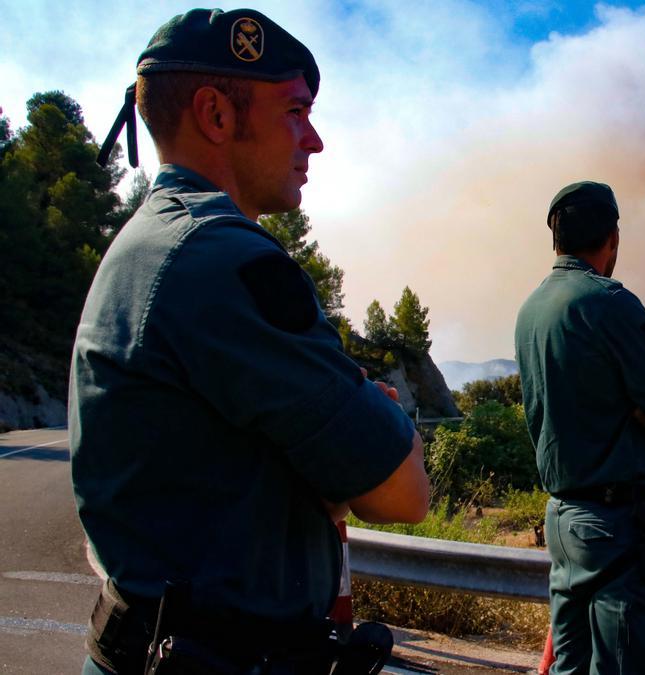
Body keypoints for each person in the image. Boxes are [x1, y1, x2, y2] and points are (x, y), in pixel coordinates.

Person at [71, 8, 429, 674]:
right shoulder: (223, 260)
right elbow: (404, 493)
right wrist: (374, 422)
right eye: (295, 111)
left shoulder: (150, 242)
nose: (314, 139)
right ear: (215, 115)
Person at [514, 181, 645, 674]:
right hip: (617, 527)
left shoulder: (529, 310)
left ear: (554, 237)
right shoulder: (610, 303)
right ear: (612, 237)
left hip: (563, 520)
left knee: (569, 666)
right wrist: (640, 415)